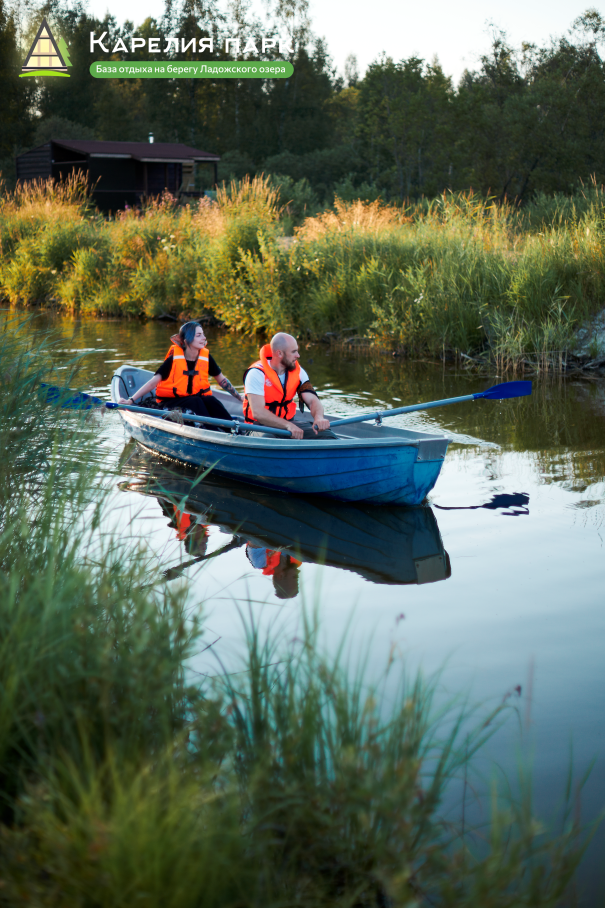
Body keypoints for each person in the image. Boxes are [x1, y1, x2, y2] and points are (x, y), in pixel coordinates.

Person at [119, 321, 242, 427]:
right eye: (199, 335)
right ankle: (211, 431)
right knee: (196, 402)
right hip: (170, 403)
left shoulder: (205, 357)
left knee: (210, 400)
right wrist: (130, 400)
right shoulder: (173, 360)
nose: (204, 338)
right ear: (187, 340)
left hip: (193, 400)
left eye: (203, 334)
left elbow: (222, 380)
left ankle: (231, 428)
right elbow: (152, 383)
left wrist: (240, 398)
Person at [243, 332, 333, 440]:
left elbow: (312, 399)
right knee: (268, 440)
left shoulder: (298, 372)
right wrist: (288, 425)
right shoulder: (256, 373)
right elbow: (258, 413)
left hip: (290, 425)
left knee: (327, 435)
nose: (298, 355)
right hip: (259, 427)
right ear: (279, 354)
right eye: (294, 352)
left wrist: (318, 417)